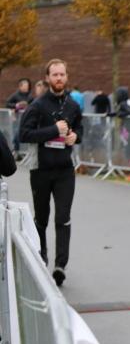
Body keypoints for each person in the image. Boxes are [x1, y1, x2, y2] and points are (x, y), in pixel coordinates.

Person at [18, 59, 83, 287]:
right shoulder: (37, 105)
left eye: (62, 74)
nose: (59, 78)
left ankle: (60, 266)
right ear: (47, 78)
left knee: (63, 217)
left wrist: (75, 137)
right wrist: (53, 130)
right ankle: (42, 259)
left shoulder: (73, 105)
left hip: (65, 170)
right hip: (41, 170)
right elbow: (24, 134)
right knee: (42, 218)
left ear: (67, 76)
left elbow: (80, 129)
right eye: (55, 74)